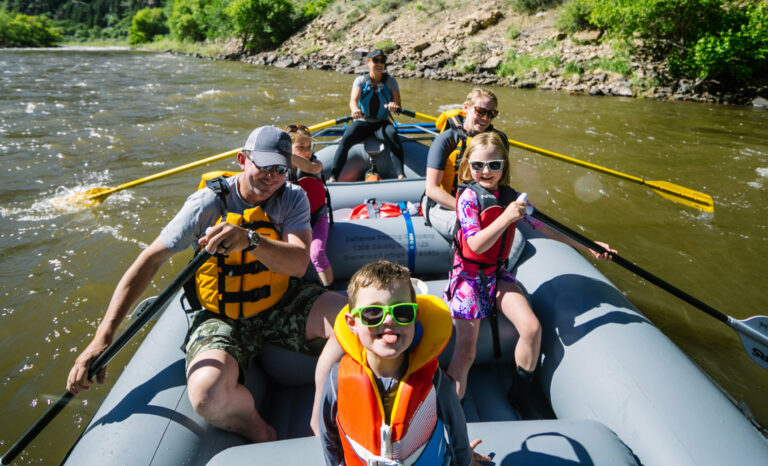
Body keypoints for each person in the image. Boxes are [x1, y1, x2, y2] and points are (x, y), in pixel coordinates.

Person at [66, 126, 346, 443]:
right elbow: (149, 261)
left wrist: (251, 241)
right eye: (264, 166)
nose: (271, 176)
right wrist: (103, 338)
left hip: (279, 300)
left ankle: (327, 416)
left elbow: (298, 263)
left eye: (280, 169)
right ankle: (261, 432)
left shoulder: (292, 197)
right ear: (243, 159)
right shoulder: (207, 204)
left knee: (354, 321)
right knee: (206, 394)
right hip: (221, 314)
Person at [445, 132, 616, 415]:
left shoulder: (513, 198)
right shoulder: (467, 198)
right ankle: (453, 412)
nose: (485, 172)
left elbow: (546, 228)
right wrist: (508, 217)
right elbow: (475, 244)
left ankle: (520, 392)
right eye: (478, 166)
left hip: (496, 274)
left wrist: (589, 247)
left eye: (494, 165)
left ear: (504, 165)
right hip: (469, 276)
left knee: (532, 328)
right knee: (466, 351)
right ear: (468, 166)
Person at [319, 260, 489, 465]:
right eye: (373, 313)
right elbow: (328, 434)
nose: (389, 320)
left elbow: (457, 429)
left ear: (414, 317)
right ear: (352, 323)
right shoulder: (336, 379)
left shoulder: (435, 380)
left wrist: (463, 460)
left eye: (402, 312)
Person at [423, 87, 509, 242]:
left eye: (491, 114)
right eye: (480, 111)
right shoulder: (446, 139)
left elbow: (501, 182)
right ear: (466, 108)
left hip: (480, 205)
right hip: (441, 206)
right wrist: (466, 210)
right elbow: (431, 189)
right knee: (477, 234)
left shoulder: (497, 142)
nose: (485, 118)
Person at [328, 49, 405, 182]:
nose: (379, 64)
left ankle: (401, 175)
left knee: (392, 134)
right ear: (368, 62)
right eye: (376, 60)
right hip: (363, 122)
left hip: (382, 123)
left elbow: (398, 104)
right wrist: (355, 110)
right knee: (346, 139)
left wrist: (394, 106)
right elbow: (353, 101)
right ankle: (333, 177)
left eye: (382, 61)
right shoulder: (360, 80)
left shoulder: (391, 81)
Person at [285, 123, 334, 288]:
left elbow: (307, 167)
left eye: (309, 146)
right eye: (300, 147)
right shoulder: (281, 170)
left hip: (318, 217)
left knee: (317, 253)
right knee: (290, 253)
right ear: (288, 147)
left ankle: (328, 289)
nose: (307, 151)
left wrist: (286, 153)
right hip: (295, 221)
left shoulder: (315, 164)